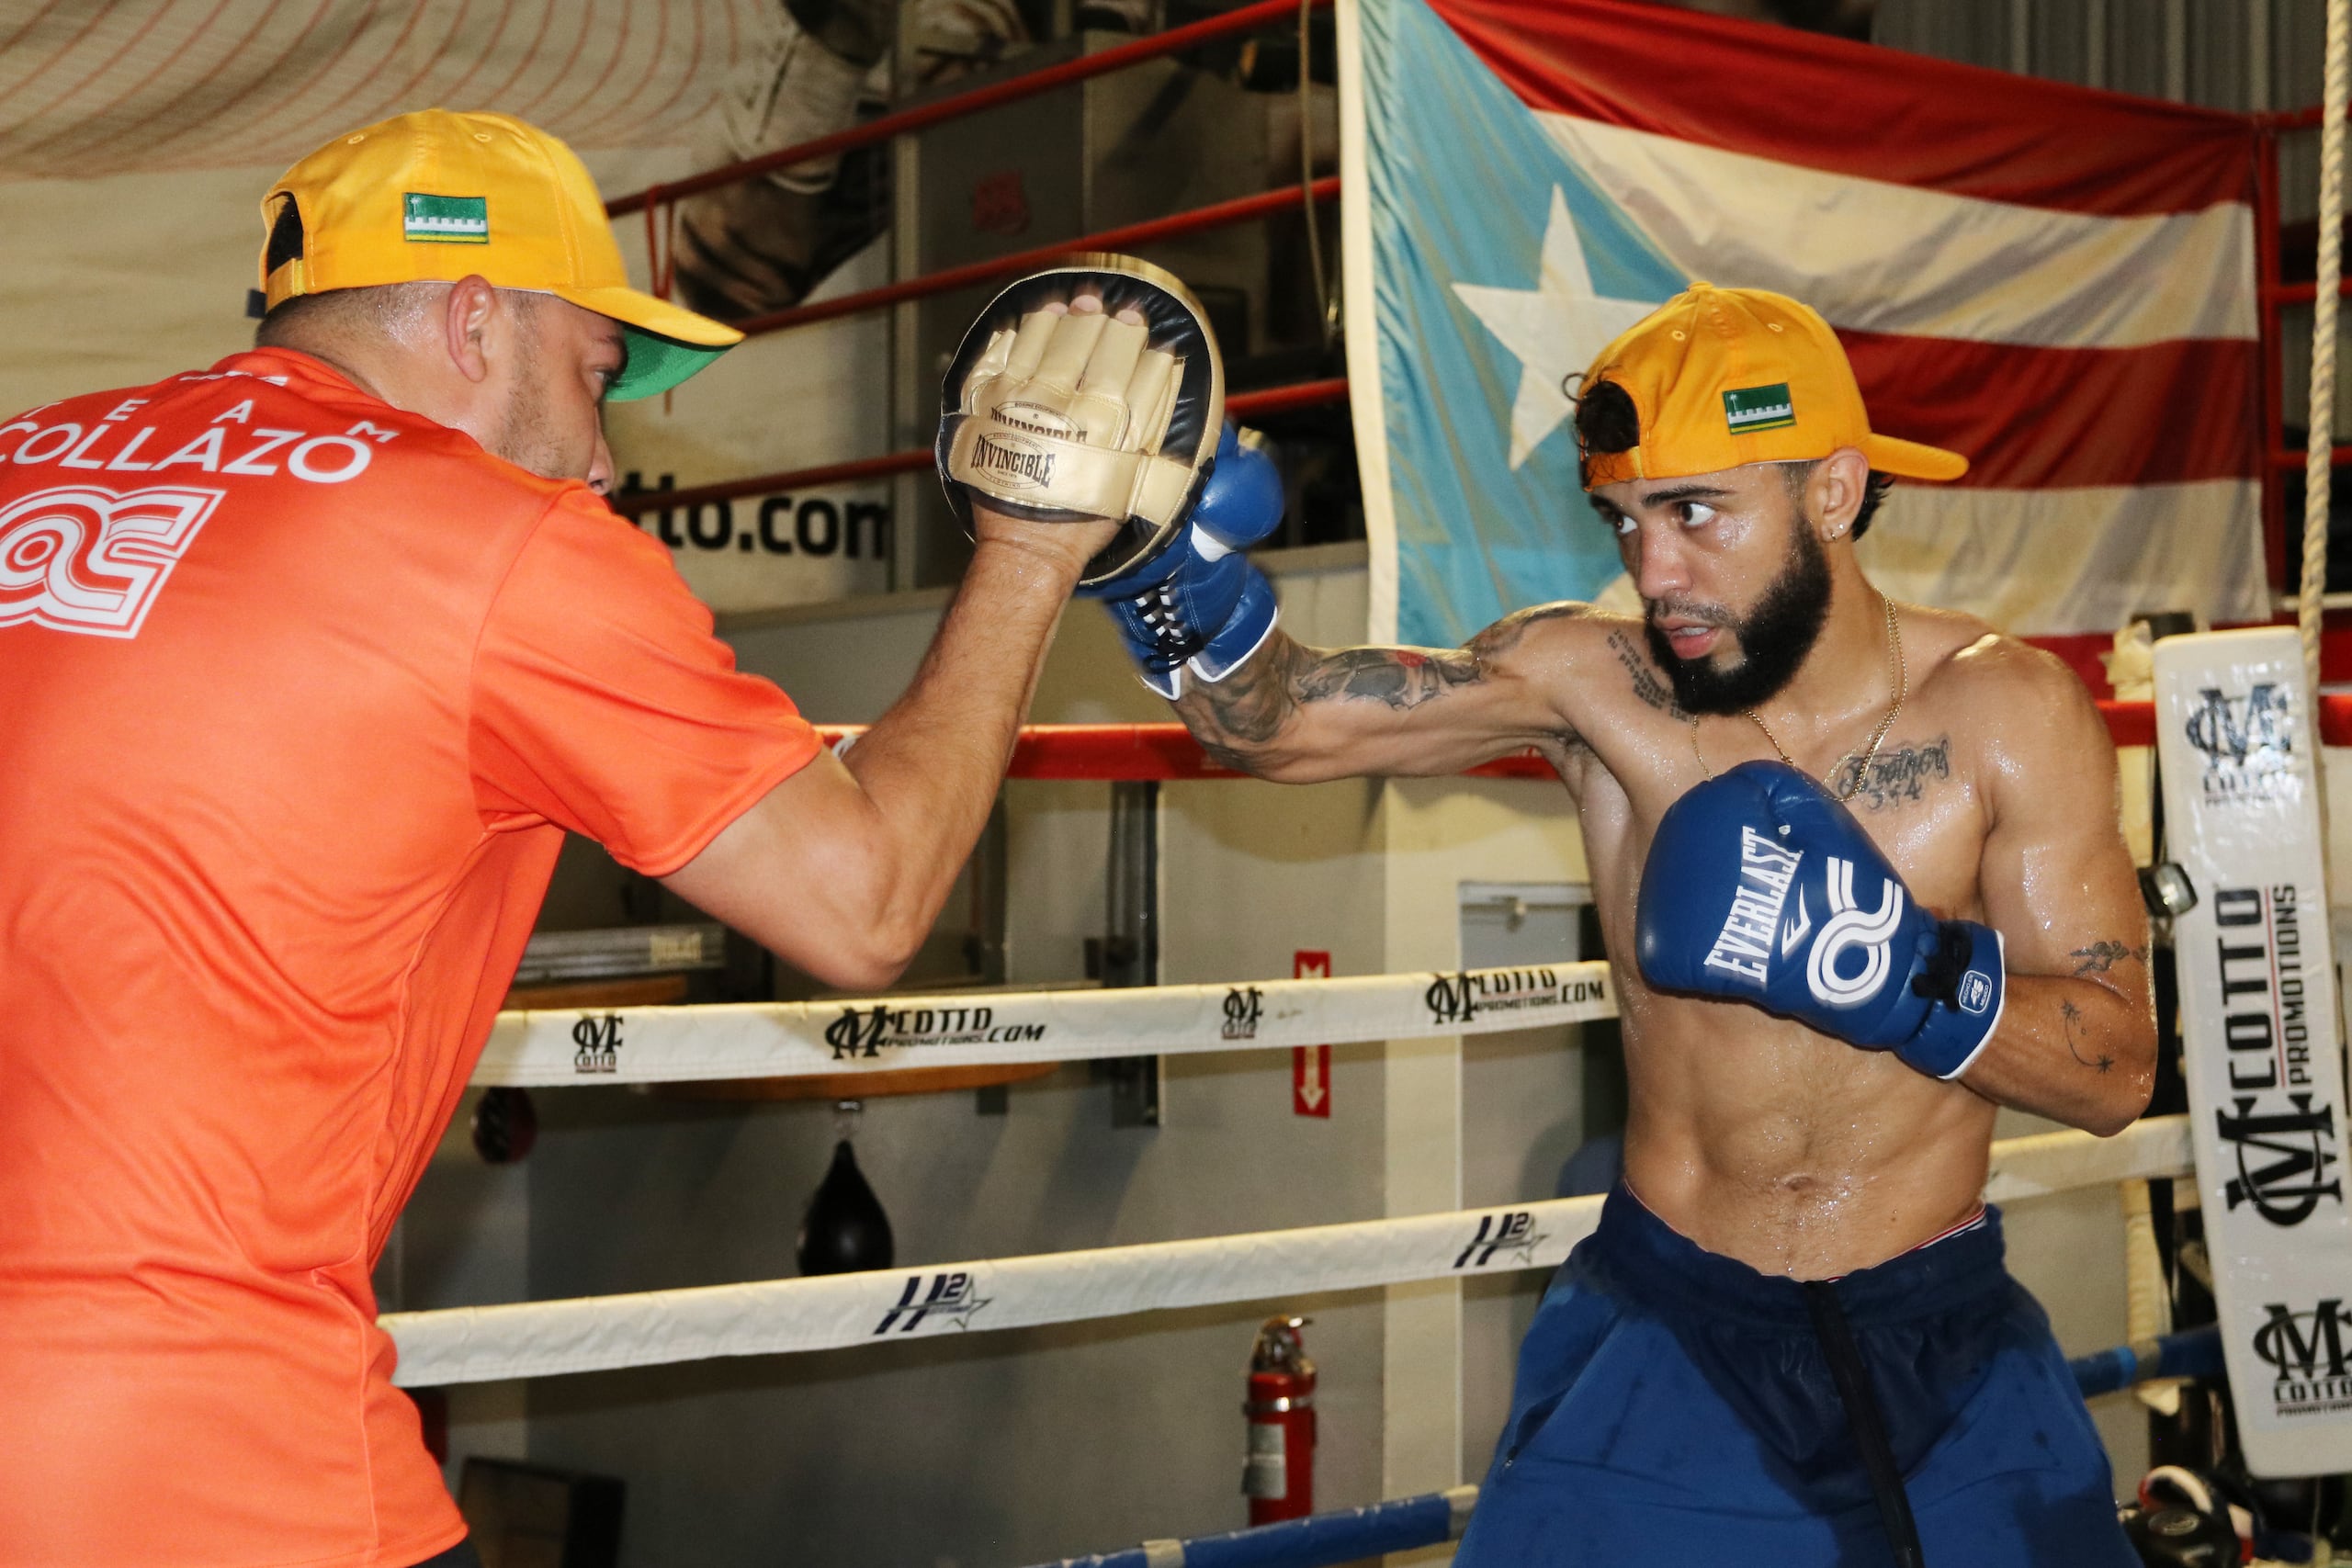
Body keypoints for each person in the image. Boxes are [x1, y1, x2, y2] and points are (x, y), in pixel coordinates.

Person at [0, 111, 1170, 1568]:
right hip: (183, 1440)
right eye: (598, 374)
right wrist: (1032, 550)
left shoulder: (24, 462)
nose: (608, 458)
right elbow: (861, 903)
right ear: (477, 318)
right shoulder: (496, 543)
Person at [1095, 282, 2156, 1563]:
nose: (1654, 574)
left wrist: (1896, 973)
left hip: (1944, 1342)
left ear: (1830, 489)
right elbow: (1287, 724)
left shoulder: (2009, 714)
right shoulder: (1601, 685)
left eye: (1696, 512)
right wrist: (1171, 582)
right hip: (1669, 1337)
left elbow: (2113, 1071)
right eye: (1626, 520)